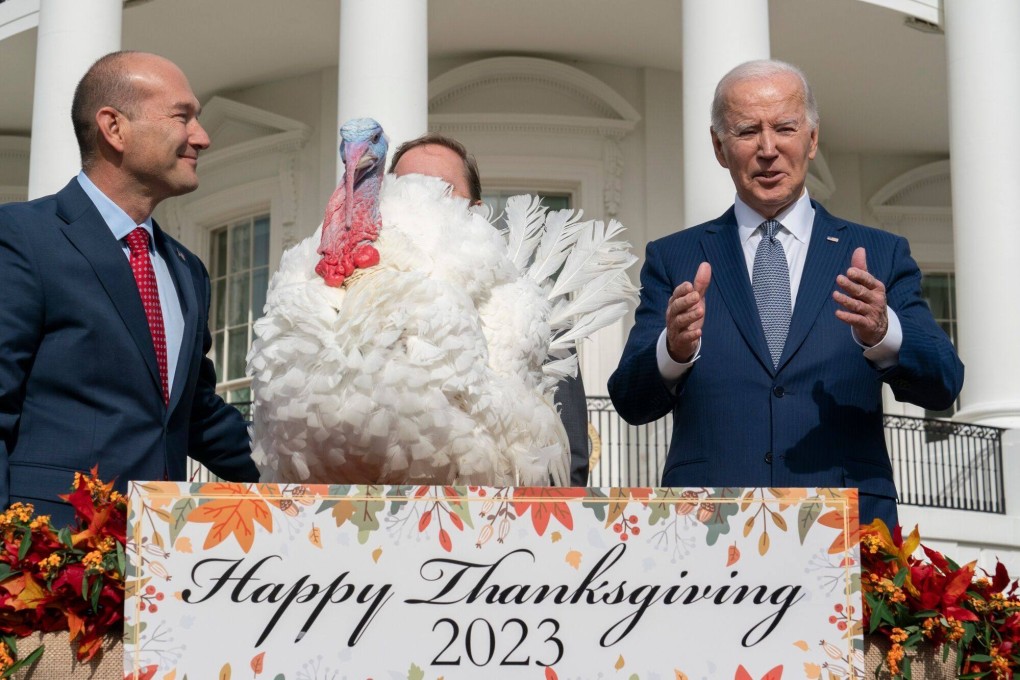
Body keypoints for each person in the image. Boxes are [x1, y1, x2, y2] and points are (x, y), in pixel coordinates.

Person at [608, 60, 963, 528]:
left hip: (847, 529)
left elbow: (944, 383)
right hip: (710, 530)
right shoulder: (676, 258)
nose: (768, 149)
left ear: (813, 139)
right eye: (747, 131)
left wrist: (884, 333)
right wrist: (673, 350)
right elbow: (631, 401)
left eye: (785, 128)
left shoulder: (878, 254)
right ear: (718, 147)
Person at [0, 51, 258, 526]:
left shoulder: (187, 270)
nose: (202, 137)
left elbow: (195, 414)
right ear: (114, 128)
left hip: (160, 555)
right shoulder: (21, 237)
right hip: (45, 563)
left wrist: (309, 475)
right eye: (183, 117)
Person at [390, 134, 591, 486]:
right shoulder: (340, 305)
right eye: (406, 188)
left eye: (440, 189)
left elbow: (569, 460)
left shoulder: (534, 313)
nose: (420, 201)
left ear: (476, 210)